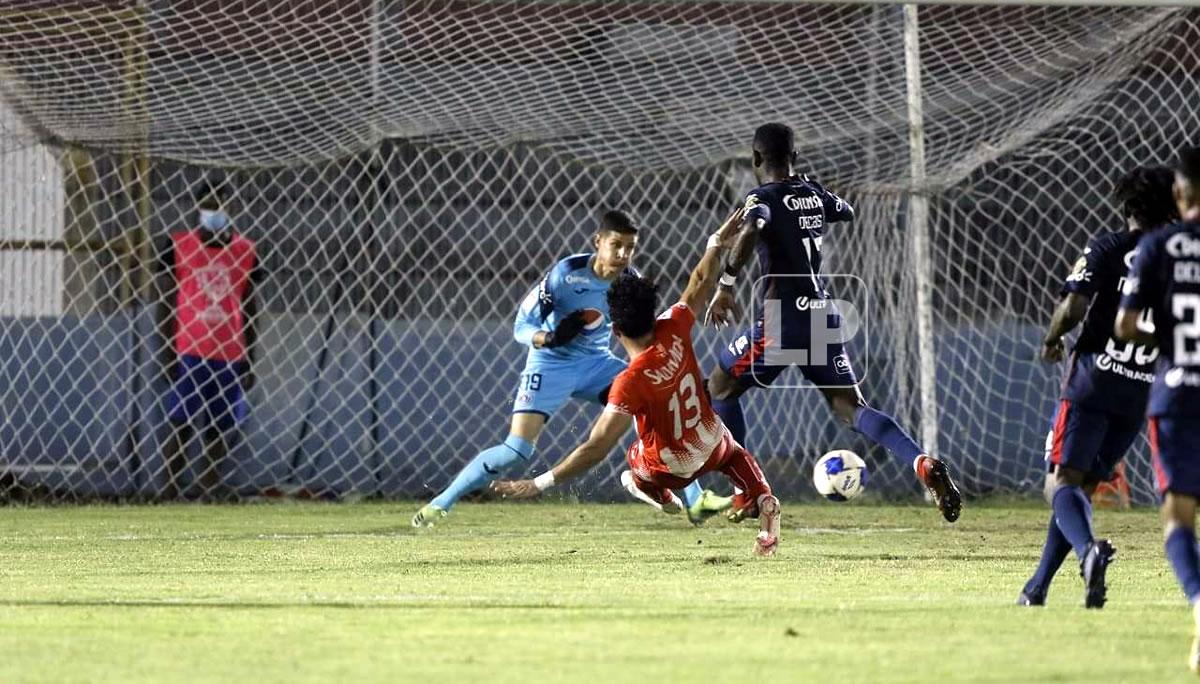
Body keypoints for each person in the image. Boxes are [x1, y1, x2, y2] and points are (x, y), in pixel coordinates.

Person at [704, 122, 962, 522]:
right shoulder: (813, 193)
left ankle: (746, 493)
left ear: (756, 159)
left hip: (782, 319)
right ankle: (922, 462)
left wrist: (726, 284)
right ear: (795, 157)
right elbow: (846, 210)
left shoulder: (761, 197)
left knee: (720, 386)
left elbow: (753, 226)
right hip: (822, 313)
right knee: (849, 407)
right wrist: (810, 190)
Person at [412, 210, 730, 527]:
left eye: (630, 247)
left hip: (596, 363)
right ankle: (439, 504)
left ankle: (691, 499)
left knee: (656, 401)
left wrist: (669, 372)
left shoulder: (629, 279)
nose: (623, 254)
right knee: (516, 450)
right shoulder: (565, 275)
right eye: (616, 244)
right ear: (598, 242)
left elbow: (641, 337)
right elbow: (521, 326)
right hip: (550, 364)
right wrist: (547, 337)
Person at [494, 209, 782, 555]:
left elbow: (595, 448)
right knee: (732, 450)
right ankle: (762, 501)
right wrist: (718, 242)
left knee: (634, 462)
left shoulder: (629, 381)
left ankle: (652, 490)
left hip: (672, 468)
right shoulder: (674, 324)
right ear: (652, 311)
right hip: (710, 441)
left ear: (614, 330)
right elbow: (701, 279)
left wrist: (539, 483)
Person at [1019, 165, 1178, 608]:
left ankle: (1089, 552)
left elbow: (1073, 305)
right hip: (1142, 390)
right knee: (1082, 489)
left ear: (1126, 205)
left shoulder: (1107, 247)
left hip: (1093, 381)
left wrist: (1052, 338)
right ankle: (1037, 589)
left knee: (1059, 484)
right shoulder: (1178, 258)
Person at [1115, 145, 1200, 672]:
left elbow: (1126, 326)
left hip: (1178, 395)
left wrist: (1166, 335)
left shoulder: (1158, 246)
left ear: (1179, 192)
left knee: (1178, 521)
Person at [159, 187, 261, 500]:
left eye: (220, 205)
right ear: (198, 209)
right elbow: (165, 303)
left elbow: (251, 307)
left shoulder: (245, 250)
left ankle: (209, 486)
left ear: (230, 209)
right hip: (189, 349)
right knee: (181, 421)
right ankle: (169, 489)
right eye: (209, 205)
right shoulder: (178, 246)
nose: (214, 211)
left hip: (229, 352)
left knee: (219, 424)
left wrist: (251, 357)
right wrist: (166, 351)